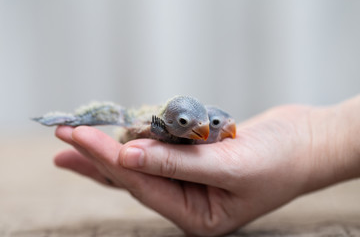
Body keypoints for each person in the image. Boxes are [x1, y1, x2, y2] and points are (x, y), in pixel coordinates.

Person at [54, 95, 360, 236]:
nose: (208, 132)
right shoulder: (154, 126)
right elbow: (123, 120)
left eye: (212, 124)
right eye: (208, 125)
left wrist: (311, 141)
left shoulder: (205, 136)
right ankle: (72, 120)